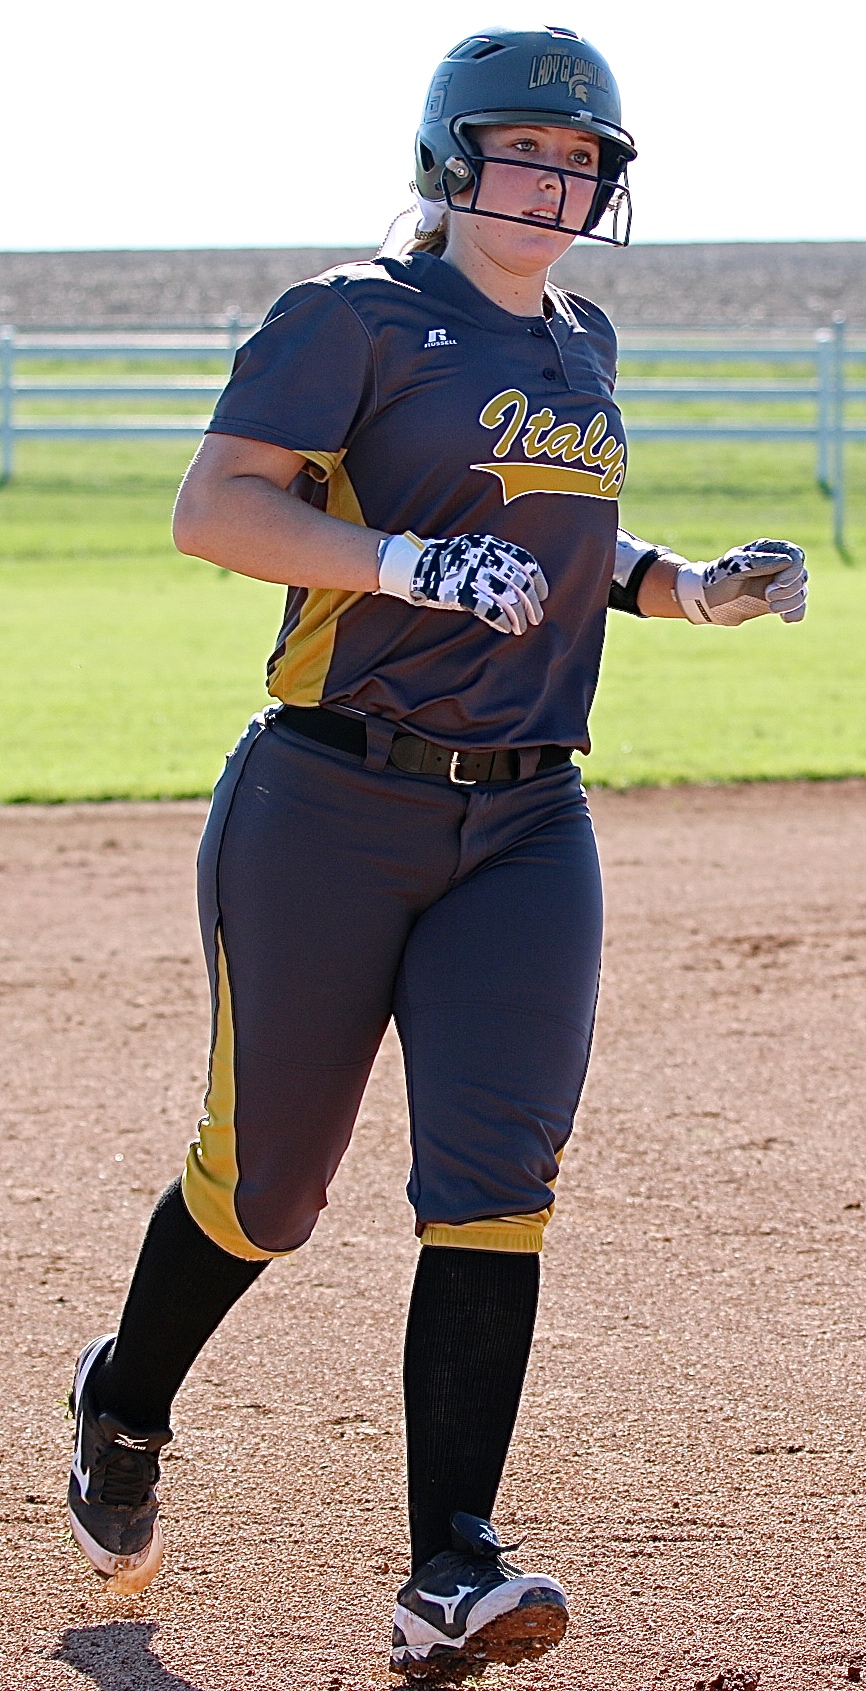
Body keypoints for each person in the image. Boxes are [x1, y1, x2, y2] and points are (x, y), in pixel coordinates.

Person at [66, 25, 807, 1682]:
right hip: (329, 801)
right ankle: (125, 1400)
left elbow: (561, 539)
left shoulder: (579, 336)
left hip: (530, 820)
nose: (553, 184)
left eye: (581, 161)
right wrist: (404, 562)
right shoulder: (350, 314)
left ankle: (448, 1568)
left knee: (496, 1184)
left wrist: (689, 590)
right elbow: (216, 508)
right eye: (522, 152)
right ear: (450, 162)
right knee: (266, 1191)